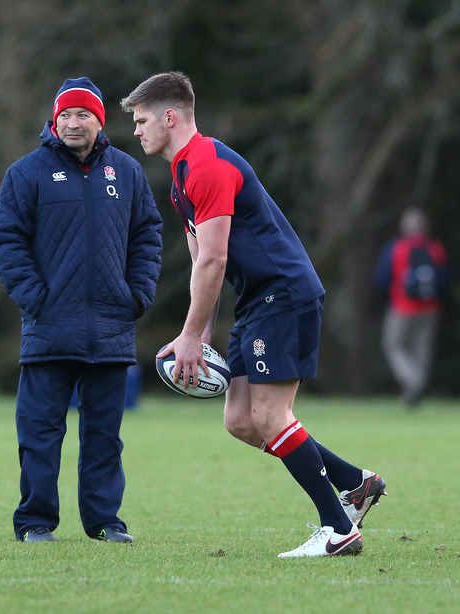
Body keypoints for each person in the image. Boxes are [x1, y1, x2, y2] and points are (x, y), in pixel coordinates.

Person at [121, 71, 386, 558]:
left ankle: (338, 529)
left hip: (283, 294)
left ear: (170, 116)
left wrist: (189, 335)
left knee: (270, 414)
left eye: (141, 120)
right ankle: (355, 483)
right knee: (242, 420)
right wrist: (195, 335)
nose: (136, 130)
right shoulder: (180, 177)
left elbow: (215, 259)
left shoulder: (207, 165)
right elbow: (203, 263)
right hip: (258, 300)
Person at [0, 77, 162, 543]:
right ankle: (36, 522)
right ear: (53, 121)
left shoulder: (125, 172)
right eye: (64, 114)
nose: (71, 122)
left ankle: (104, 522)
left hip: (111, 328)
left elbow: (147, 235)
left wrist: (137, 294)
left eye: (82, 114)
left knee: (104, 439)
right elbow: (5, 241)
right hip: (49, 329)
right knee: (40, 436)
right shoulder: (26, 173)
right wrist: (35, 298)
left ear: (99, 121)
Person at [375, 207, 450, 407]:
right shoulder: (436, 249)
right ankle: (418, 385)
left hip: (402, 307)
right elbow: (444, 280)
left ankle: (413, 381)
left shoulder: (396, 248)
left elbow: (382, 279)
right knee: (422, 349)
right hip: (430, 308)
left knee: (393, 345)